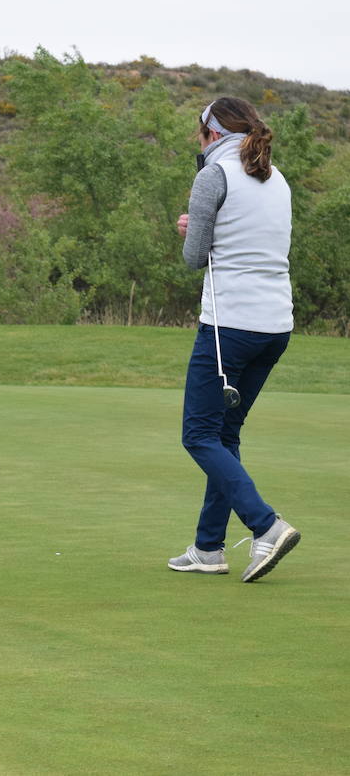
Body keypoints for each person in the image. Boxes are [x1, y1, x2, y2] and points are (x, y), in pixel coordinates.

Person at [169, 97, 300, 583]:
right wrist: (200, 229)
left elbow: (193, 257)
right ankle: (208, 547)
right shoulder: (276, 176)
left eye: (197, 133)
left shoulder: (213, 176)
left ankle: (266, 526)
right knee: (225, 435)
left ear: (211, 134)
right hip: (275, 326)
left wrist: (189, 229)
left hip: (230, 326)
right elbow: (248, 237)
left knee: (199, 435)